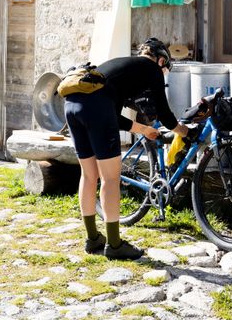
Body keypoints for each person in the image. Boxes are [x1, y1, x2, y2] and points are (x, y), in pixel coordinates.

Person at [63, 37, 189, 260]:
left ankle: (93, 239)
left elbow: (108, 111)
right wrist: (184, 131)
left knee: (89, 175)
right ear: (161, 61)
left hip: (72, 105)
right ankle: (114, 244)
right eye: (165, 69)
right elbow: (164, 113)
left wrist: (141, 129)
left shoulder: (121, 65)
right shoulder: (151, 69)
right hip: (96, 109)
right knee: (111, 179)